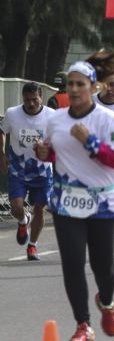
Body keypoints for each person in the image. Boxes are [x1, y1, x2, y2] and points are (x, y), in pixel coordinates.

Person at [36, 56, 114, 341]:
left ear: (93, 87)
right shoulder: (56, 119)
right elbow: (56, 152)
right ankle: (83, 325)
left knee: (103, 267)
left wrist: (90, 141)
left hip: (103, 202)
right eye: (70, 84)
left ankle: (107, 302)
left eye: (81, 84)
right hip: (67, 202)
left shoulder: (107, 119)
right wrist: (45, 153)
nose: (75, 89)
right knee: (73, 263)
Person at [0, 82, 55, 261]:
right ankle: (23, 220)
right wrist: (1, 154)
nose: (31, 104)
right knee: (16, 206)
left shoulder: (51, 116)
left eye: (34, 100)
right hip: (18, 168)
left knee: (40, 207)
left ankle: (32, 246)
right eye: (27, 100)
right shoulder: (12, 113)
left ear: (41, 98)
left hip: (42, 170)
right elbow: (2, 131)